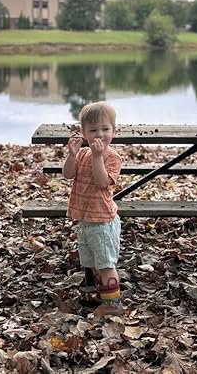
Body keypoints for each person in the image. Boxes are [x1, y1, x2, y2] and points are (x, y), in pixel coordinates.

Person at [63, 101, 123, 311]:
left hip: (103, 221)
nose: (99, 135)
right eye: (93, 130)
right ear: (84, 132)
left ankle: (113, 304)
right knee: (93, 263)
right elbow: (68, 174)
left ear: (114, 131)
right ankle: (103, 296)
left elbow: (101, 182)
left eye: (105, 129)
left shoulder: (112, 157)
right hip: (86, 219)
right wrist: (71, 155)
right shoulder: (82, 154)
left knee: (106, 265)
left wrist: (98, 156)